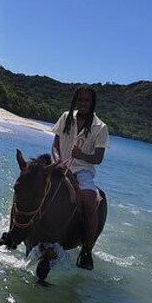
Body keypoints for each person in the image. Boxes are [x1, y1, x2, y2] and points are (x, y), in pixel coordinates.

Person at [51, 86, 110, 270]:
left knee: (90, 203)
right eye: (80, 100)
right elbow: (54, 145)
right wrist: (58, 162)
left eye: (87, 101)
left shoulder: (100, 128)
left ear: (92, 103)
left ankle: (86, 252)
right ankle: (15, 233)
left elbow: (98, 159)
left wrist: (82, 155)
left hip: (83, 172)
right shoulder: (65, 117)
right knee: (31, 183)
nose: (83, 103)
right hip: (60, 165)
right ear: (76, 101)